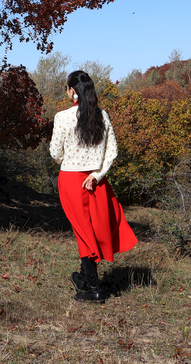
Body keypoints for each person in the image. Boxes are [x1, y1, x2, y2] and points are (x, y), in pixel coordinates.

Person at [50, 70, 138, 301]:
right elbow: (113, 152)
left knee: (83, 233)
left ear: (72, 90)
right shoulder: (102, 116)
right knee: (93, 230)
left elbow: (54, 152)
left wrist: (69, 161)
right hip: (96, 182)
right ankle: (83, 278)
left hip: (71, 180)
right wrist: (97, 174)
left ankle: (95, 289)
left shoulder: (63, 117)